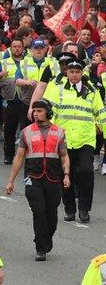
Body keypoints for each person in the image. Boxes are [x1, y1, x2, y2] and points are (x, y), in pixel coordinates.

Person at [5, 99, 70, 261]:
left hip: (54, 178)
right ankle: (40, 247)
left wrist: (67, 175)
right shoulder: (26, 132)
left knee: (51, 215)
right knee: (39, 212)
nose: (35, 113)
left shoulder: (59, 132)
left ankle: (47, 238)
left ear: (48, 112)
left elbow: (64, 156)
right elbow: (19, 157)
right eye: (34, 111)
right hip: (33, 178)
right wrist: (11, 181)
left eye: (39, 111)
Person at [43, 59, 104, 223]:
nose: (75, 75)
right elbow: (51, 114)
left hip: (85, 139)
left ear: (82, 73)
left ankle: (84, 210)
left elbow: (101, 113)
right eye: (71, 72)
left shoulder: (91, 91)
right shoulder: (59, 90)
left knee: (86, 173)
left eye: (78, 72)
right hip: (65, 139)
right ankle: (70, 210)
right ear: (67, 73)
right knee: (65, 175)